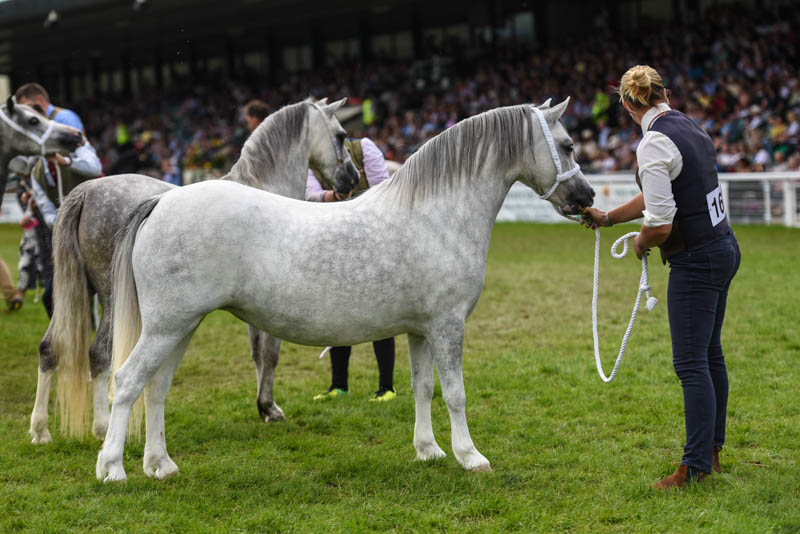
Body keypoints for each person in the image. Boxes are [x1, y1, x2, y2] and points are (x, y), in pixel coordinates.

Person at [581, 65, 741, 489]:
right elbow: (660, 197)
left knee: (691, 363)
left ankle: (695, 466)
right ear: (662, 93)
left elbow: (662, 222)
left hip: (697, 258)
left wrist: (642, 244)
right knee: (710, 356)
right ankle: (710, 453)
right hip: (723, 245)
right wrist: (611, 218)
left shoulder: (652, 142)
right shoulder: (686, 123)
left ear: (629, 104)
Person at [306, 136, 396, 402]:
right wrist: (333, 196)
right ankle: (339, 385)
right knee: (338, 314)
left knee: (381, 316)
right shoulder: (313, 161)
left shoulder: (364, 148)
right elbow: (309, 194)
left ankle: (387, 387)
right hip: (335, 245)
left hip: (375, 241)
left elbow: (384, 189)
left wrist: (354, 200)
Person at [15, 83, 102, 317]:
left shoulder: (64, 119)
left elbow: (90, 163)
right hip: (68, 228)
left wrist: (65, 162)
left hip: (96, 216)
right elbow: (47, 210)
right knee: (53, 293)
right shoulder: (36, 170)